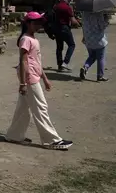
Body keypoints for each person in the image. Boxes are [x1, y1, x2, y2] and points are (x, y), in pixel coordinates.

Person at [5, 12, 73, 150]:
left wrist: (45, 79)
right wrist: (23, 83)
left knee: (23, 109)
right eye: (35, 22)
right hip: (29, 78)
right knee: (41, 107)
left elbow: (37, 61)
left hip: (34, 76)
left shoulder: (33, 39)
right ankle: (52, 140)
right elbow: (23, 61)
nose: (38, 25)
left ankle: (14, 135)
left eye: (39, 22)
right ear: (28, 23)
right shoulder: (25, 39)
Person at [79, 11, 109, 82]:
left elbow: (83, 25)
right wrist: (106, 20)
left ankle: (85, 67)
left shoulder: (84, 13)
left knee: (92, 56)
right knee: (101, 58)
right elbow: (102, 26)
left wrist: (84, 36)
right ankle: (100, 76)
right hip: (98, 40)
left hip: (88, 39)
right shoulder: (99, 13)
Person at [53, 0, 79, 72]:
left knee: (59, 47)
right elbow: (73, 20)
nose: (70, 0)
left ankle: (60, 65)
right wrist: (79, 24)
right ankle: (65, 63)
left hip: (56, 28)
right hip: (65, 28)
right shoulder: (67, 8)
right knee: (72, 45)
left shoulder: (55, 6)